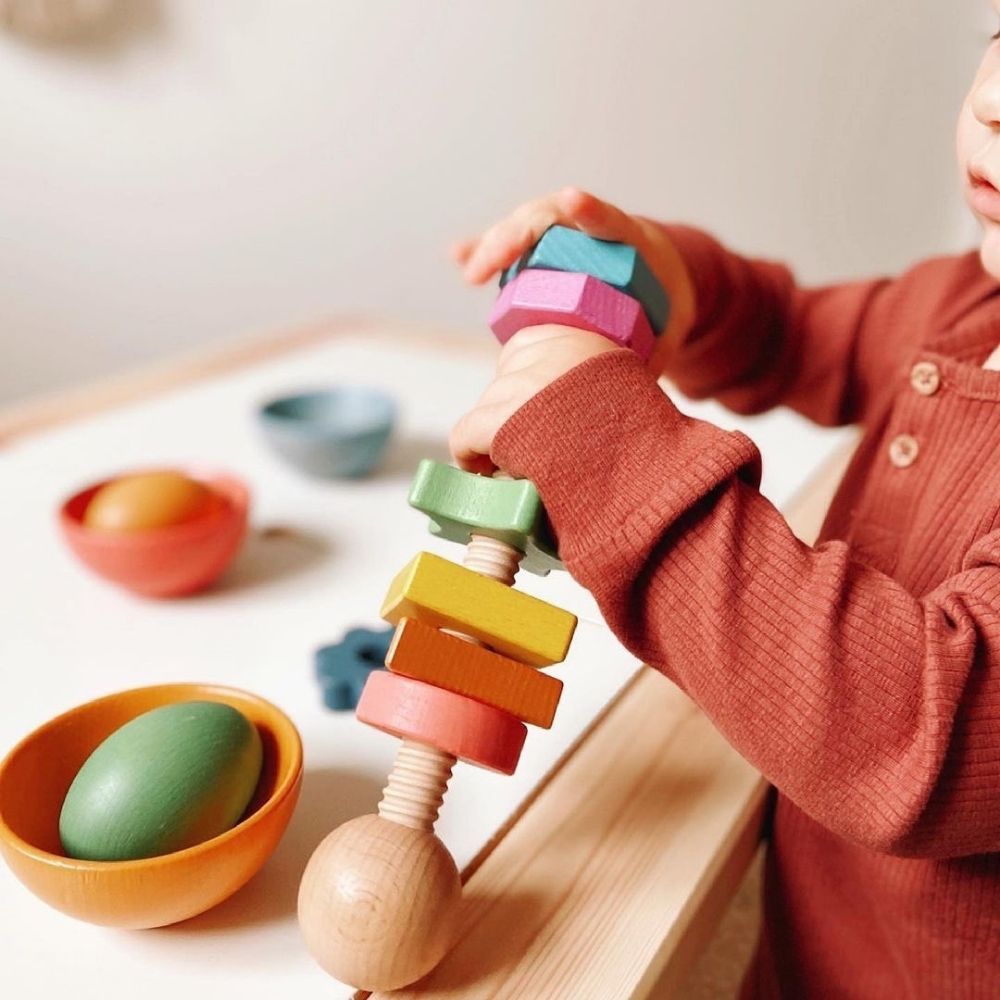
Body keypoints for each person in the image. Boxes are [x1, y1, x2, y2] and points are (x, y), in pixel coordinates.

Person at [446, 15, 1000, 1000]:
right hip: (813, 955)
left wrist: (605, 450)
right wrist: (677, 277)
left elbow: (915, 728)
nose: (992, 103)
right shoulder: (961, 304)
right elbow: (788, 332)